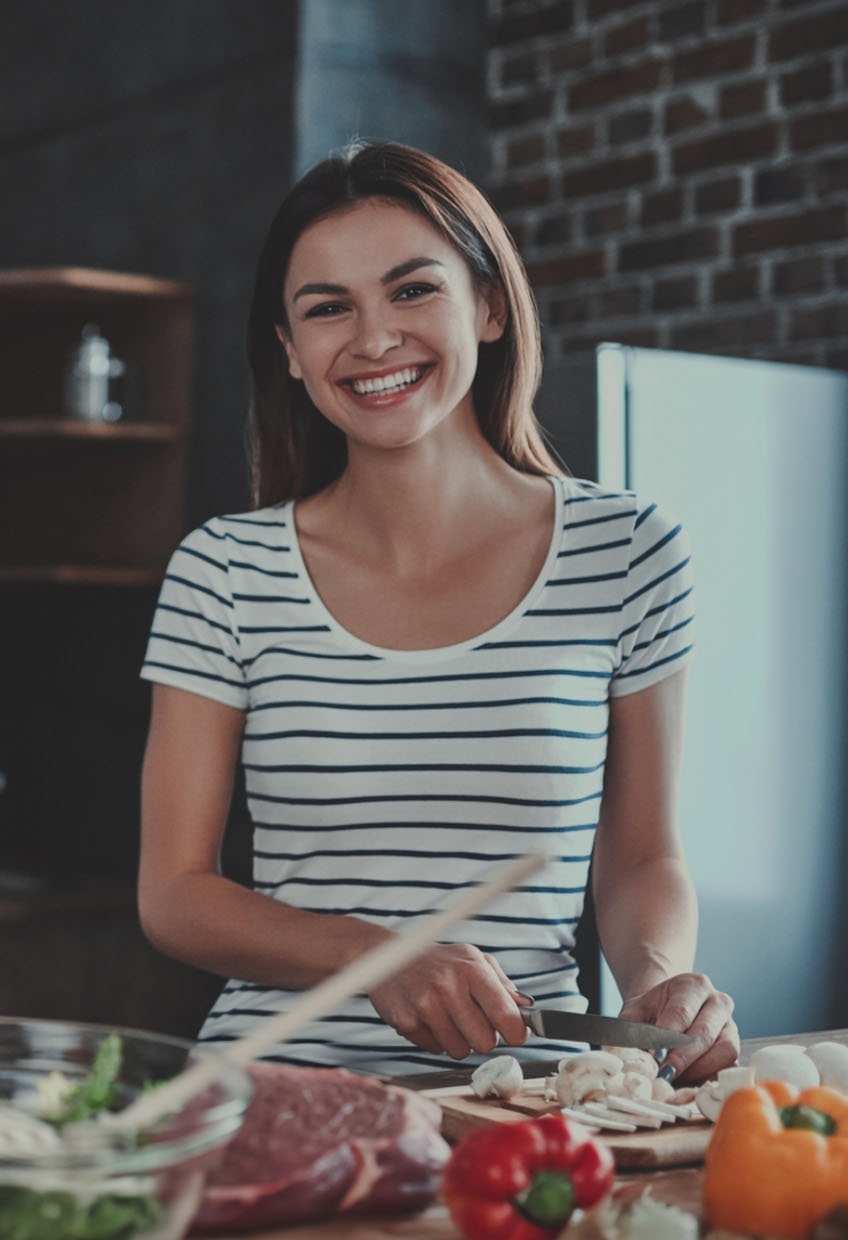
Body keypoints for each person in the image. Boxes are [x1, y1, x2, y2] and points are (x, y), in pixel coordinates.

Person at [136, 140, 739, 1081]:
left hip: (535, 1094)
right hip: (281, 1087)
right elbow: (175, 893)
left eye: (412, 289)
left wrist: (658, 979)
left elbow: (640, 857)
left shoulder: (627, 551)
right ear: (291, 353)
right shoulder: (225, 570)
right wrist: (377, 955)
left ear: (490, 305)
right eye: (328, 308)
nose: (374, 338)